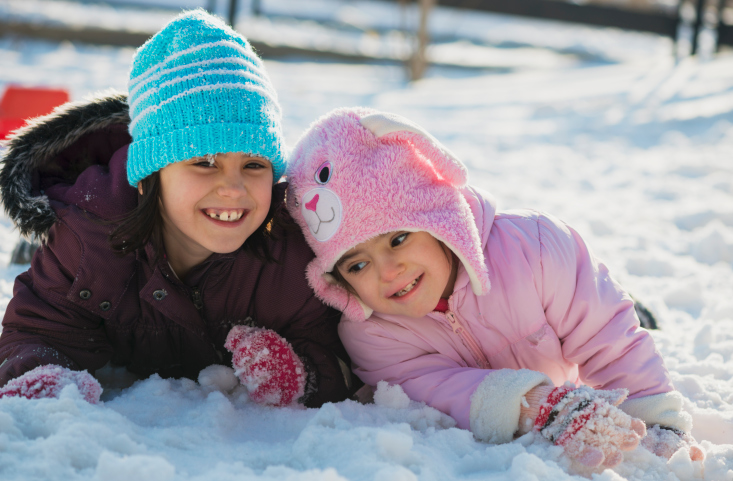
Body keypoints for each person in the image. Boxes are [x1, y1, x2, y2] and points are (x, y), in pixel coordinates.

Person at [284, 107, 704, 468]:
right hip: (540, 377)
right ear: (338, 280)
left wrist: (654, 416)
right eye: (358, 264)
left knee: (614, 307)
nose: (389, 271)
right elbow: (437, 389)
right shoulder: (372, 334)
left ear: (438, 218)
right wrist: (536, 405)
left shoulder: (535, 249)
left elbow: (607, 335)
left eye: (398, 239)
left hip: (567, 308)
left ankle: (641, 306)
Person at [0, 10, 353, 408]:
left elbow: (338, 348)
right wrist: (42, 374)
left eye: (254, 164)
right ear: (151, 174)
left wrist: (299, 370)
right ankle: (29, 248)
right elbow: (36, 331)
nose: (233, 188)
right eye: (205, 162)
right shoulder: (89, 236)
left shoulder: (288, 256)